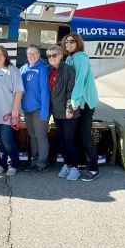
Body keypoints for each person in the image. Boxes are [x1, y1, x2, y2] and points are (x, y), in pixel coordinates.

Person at [62, 33, 100, 181]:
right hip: (78, 102)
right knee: (77, 134)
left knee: (85, 135)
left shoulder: (80, 58)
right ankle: (83, 163)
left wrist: (73, 103)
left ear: (78, 43)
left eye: (72, 41)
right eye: (66, 42)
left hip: (84, 103)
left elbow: (80, 81)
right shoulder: (70, 58)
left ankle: (94, 169)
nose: (68, 44)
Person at [0, 45, 24, 176]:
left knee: (7, 139)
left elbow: (19, 90)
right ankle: (1, 163)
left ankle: (13, 163)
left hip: (8, 111)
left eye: (1, 54)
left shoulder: (12, 70)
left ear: (6, 56)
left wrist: (15, 110)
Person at [46, 45, 81, 180]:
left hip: (68, 112)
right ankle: (67, 164)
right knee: (62, 139)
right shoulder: (49, 70)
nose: (51, 58)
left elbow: (71, 91)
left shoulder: (68, 70)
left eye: (54, 55)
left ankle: (75, 167)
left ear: (61, 55)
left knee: (69, 140)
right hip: (57, 112)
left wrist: (70, 109)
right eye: (49, 56)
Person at [20, 45, 50, 174]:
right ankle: (34, 160)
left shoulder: (42, 69)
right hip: (27, 110)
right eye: (29, 54)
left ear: (39, 54)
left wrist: (44, 111)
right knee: (32, 136)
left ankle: (42, 163)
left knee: (40, 136)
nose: (32, 56)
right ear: (26, 55)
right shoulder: (23, 69)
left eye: (35, 53)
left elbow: (45, 92)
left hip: (39, 109)